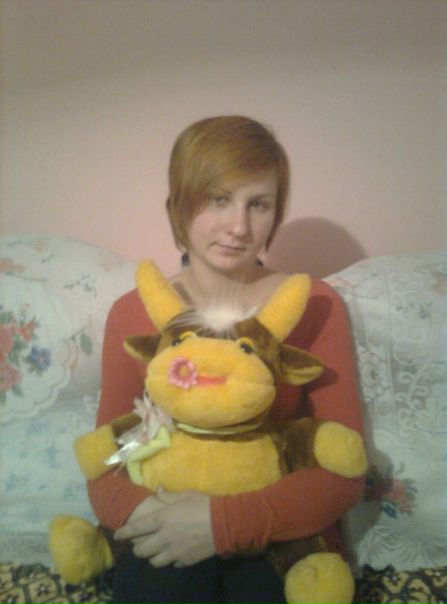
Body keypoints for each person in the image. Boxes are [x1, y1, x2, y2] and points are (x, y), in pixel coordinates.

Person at [87, 116, 365, 604]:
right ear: (180, 204)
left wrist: (220, 524)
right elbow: (108, 458)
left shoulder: (314, 304)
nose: (239, 226)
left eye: (258, 204)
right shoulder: (132, 312)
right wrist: (158, 519)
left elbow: (344, 471)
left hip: (281, 536)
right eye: (219, 199)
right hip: (163, 524)